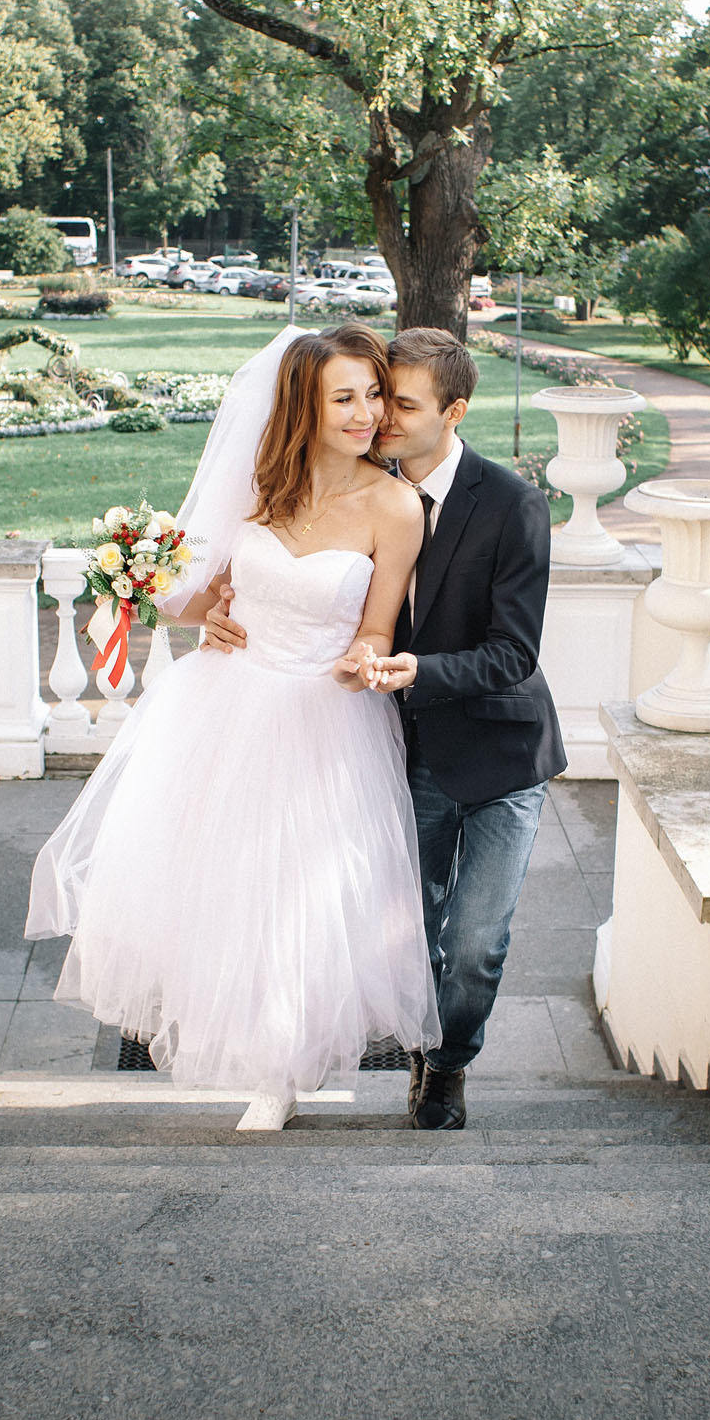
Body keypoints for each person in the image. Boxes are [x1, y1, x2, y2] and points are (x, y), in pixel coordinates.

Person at [25, 324, 435, 1130]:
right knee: (221, 890)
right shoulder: (258, 488)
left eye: (373, 396)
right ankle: (243, 1045)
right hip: (225, 705)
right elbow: (190, 596)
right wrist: (201, 613)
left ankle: (279, 1073)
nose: (365, 414)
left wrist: (364, 659)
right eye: (343, 398)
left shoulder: (394, 505)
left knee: (299, 901)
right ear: (301, 408)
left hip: (325, 717)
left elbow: (379, 628)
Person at [204, 328, 564, 1130]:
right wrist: (225, 616)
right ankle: (382, 1047)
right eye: (369, 397)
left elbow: (513, 651)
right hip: (404, 748)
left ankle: (445, 1065)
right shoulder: (354, 483)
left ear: (453, 411)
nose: (379, 418)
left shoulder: (513, 505)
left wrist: (411, 669)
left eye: (397, 403)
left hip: (500, 749)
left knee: (474, 944)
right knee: (403, 931)